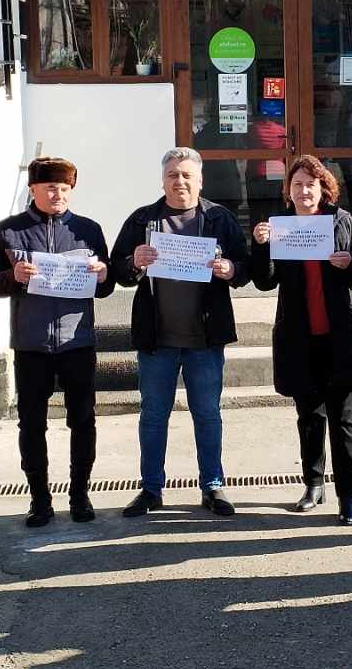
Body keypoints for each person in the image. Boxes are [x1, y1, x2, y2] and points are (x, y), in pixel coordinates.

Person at [107, 147, 253, 518]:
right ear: (163, 181)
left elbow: (246, 266)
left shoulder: (218, 218)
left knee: (207, 415)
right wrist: (133, 262)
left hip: (205, 338)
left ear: (200, 180)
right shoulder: (143, 219)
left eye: (187, 175)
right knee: (153, 416)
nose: (180, 181)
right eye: (173, 175)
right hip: (157, 339)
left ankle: (213, 486)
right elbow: (117, 269)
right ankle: (150, 489)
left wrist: (231, 269)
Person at [0, 155, 113, 527]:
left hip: (77, 341)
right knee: (31, 424)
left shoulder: (88, 230)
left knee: (83, 421)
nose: (58, 195)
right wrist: (14, 276)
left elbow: (106, 287)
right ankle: (39, 499)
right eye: (51, 188)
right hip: (31, 344)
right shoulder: (10, 231)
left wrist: (103, 274)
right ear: (33, 189)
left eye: (65, 189)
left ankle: (80, 494)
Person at [251, 156, 352, 524]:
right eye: (297, 184)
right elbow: (265, 281)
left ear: (324, 188)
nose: (304, 190)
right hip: (299, 338)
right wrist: (261, 246)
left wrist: (349, 263)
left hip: (340, 336)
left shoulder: (341, 220)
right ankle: (313, 483)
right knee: (309, 417)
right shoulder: (280, 226)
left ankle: (348, 494)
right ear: (288, 191)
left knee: (345, 420)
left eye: (311, 184)